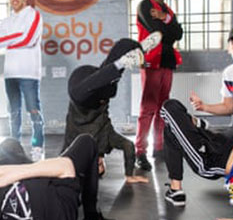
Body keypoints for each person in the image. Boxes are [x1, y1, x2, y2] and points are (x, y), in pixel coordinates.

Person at [63, 34, 162, 183]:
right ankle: (137, 50)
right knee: (108, 83)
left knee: (80, 93)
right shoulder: (107, 139)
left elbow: (62, 158)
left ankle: (122, 62)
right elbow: (128, 146)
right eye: (101, 167)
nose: (97, 165)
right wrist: (129, 175)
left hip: (80, 86)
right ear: (104, 164)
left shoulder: (76, 148)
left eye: (94, 168)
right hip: (100, 83)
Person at [135, 0, 183, 171]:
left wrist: (164, 18)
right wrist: (166, 26)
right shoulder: (145, 5)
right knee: (148, 108)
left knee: (163, 108)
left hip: (167, 62)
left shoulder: (167, 11)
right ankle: (140, 152)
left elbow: (178, 34)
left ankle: (159, 147)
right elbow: (157, 33)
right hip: (151, 61)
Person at [0, 0, 45, 161]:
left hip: (29, 72)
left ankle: (37, 148)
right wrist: (18, 36)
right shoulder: (7, 21)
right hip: (10, 73)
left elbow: (30, 40)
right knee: (13, 113)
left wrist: (11, 40)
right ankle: (14, 146)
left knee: (33, 110)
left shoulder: (34, 15)